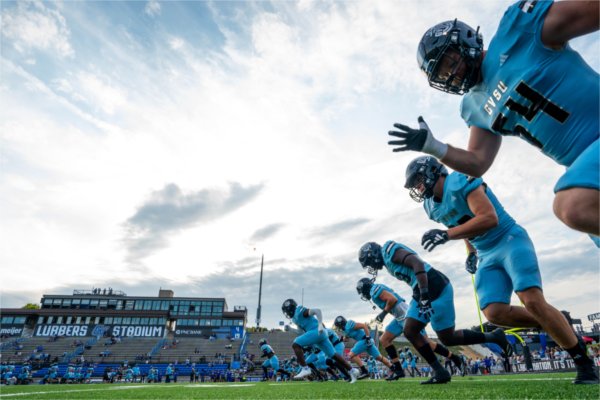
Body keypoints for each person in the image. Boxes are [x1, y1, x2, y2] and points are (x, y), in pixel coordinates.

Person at [387, 1, 599, 245]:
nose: (451, 75)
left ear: (464, 41)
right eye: (442, 75)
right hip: (582, 166)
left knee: (572, 206)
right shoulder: (474, 106)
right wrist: (433, 146)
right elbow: (477, 162)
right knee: (587, 215)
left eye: (450, 63)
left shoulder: (518, 31)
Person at [403, 155, 599, 384]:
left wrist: (447, 236)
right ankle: (553, 320)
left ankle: (583, 363)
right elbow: (459, 224)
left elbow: (488, 218)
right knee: (494, 313)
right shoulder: (431, 206)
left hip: (508, 239)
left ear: (433, 172)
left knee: (532, 301)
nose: (418, 187)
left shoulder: (459, 180)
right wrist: (471, 252)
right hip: (485, 253)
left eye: (418, 180)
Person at [358, 241, 512, 384]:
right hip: (422, 290)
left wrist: (424, 293)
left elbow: (416, 262)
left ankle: (443, 369)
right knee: (442, 337)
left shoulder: (388, 251)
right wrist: (421, 293)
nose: (370, 266)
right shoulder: (387, 262)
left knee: (423, 333)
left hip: (433, 287)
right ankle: (492, 338)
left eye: (369, 261)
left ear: (373, 254)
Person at [355, 277, 464, 379]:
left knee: (427, 343)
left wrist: (383, 314)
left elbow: (392, 300)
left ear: (365, 288)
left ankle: (453, 358)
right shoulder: (375, 290)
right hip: (399, 317)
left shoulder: (374, 290)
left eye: (362, 291)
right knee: (384, 339)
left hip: (406, 315)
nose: (363, 295)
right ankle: (398, 370)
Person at [281, 298, 359, 383]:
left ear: (290, 309)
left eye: (287, 311)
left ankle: (305, 368)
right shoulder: (295, 318)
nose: (287, 314)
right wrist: (291, 329)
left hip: (317, 331)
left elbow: (317, 311)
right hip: (319, 335)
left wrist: (320, 324)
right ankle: (352, 371)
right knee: (333, 354)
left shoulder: (299, 311)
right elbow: (301, 331)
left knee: (295, 344)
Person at [333, 315, 394, 380]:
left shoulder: (349, 324)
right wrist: (340, 339)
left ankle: (363, 371)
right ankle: (393, 368)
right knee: (379, 357)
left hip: (364, 340)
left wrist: (367, 337)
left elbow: (363, 326)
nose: (339, 328)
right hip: (367, 342)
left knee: (351, 355)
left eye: (338, 326)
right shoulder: (346, 329)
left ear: (341, 324)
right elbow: (346, 338)